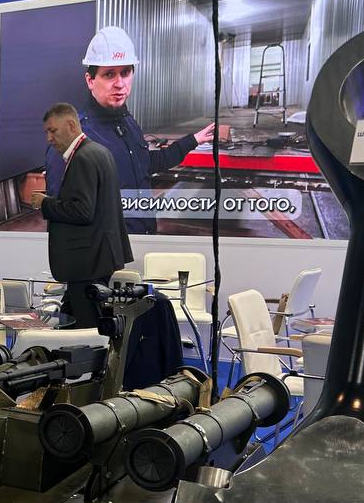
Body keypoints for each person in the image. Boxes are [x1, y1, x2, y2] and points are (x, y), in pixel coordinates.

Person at [44, 26, 223, 234]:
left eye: (125, 72)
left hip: (145, 237)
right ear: (90, 80)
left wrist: (192, 140)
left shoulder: (127, 122)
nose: (120, 83)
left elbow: (145, 164)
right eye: (109, 74)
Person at [33, 102, 133, 328]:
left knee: (86, 330)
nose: (49, 138)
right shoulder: (99, 151)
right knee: (73, 323)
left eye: (53, 131)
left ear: (70, 125)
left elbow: (83, 211)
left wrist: (45, 203)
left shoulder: (82, 158)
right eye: (47, 132)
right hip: (97, 258)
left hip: (87, 262)